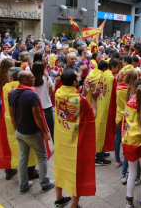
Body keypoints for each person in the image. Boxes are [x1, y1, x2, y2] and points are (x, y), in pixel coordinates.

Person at [53, 70, 96, 208]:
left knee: (59, 167)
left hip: (61, 138)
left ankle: (59, 199)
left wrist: (84, 93)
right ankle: (74, 205)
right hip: (75, 142)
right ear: (74, 83)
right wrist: (93, 97)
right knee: (77, 172)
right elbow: (92, 115)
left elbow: (73, 105)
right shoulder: (81, 100)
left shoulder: (59, 93)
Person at [9, 70, 54, 194]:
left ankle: (23, 185)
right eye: (31, 77)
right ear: (24, 80)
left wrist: (16, 128)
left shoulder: (12, 93)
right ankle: (45, 183)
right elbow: (38, 116)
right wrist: (45, 131)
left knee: (23, 158)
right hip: (32, 132)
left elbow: (12, 114)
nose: (34, 78)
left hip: (20, 131)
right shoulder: (31, 95)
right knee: (42, 156)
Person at [95, 58, 121, 166]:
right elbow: (114, 94)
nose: (119, 69)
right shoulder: (111, 77)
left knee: (101, 131)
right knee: (103, 131)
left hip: (101, 104)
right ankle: (98, 156)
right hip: (106, 107)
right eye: (118, 67)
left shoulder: (105, 73)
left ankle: (100, 152)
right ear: (113, 67)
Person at [32, 61, 60, 143]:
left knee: (37, 127)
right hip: (47, 106)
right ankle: (55, 144)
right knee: (51, 127)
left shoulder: (31, 80)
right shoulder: (47, 79)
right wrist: (55, 83)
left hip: (35, 106)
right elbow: (51, 92)